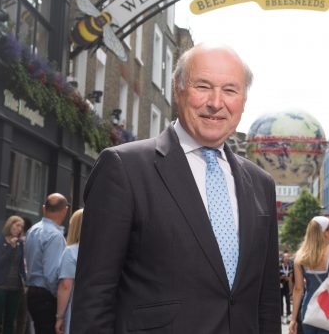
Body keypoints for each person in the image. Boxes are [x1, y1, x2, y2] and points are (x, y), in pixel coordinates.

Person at [71, 43, 281, 333]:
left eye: (230, 90)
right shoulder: (124, 168)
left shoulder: (261, 184)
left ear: (244, 100)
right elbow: (94, 297)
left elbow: (267, 301)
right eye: (203, 86)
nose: (216, 102)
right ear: (178, 89)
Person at [25, 193, 69, 334]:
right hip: (46, 297)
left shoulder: (32, 230)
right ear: (65, 210)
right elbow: (51, 275)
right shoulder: (55, 236)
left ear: (44, 208)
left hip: (32, 293)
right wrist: (61, 298)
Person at [0, 216, 26, 334]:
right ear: (10, 225)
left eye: (21, 227)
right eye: (17, 225)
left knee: (10, 321)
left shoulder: (20, 244)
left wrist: (25, 281)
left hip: (15, 288)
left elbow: (21, 264)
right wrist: (10, 248)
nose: (19, 229)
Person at [55, 209, 84, 334]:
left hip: (77, 310)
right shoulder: (106, 251)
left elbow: (66, 286)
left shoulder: (71, 251)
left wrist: (59, 317)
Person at [279, 252, 294, 324]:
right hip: (281, 286)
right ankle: (281, 316)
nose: (287, 258)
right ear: (283, 258)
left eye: (288, 257)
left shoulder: (290, 266)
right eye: (285, 257)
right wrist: (281, 277)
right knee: (280, 302)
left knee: (288, 301)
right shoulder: (279, 266)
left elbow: (291, 276)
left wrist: (288, 278)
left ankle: (288, 316)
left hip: (288, 286)